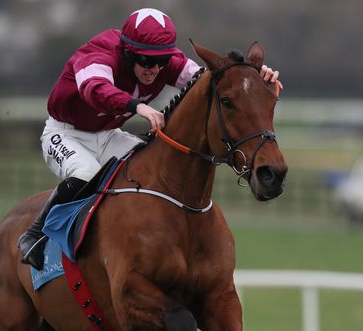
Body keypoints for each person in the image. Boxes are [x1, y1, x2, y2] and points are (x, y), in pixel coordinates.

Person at [18, 8, 281, 270]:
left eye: (162, 60)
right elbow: (95, 90)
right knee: (87, 172)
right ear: (128, 52)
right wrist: (137, 107)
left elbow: (216, 82)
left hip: (107, 134)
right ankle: (34, 233)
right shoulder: (98, 54)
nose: (155, 69)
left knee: (150, 165)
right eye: (146, 60)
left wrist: (255, 76)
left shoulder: (164, 63)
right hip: (65, 133)